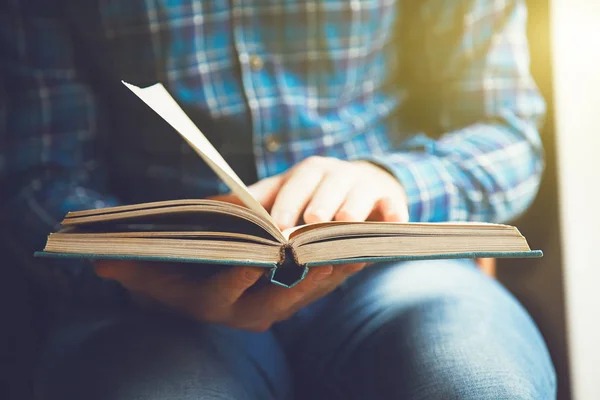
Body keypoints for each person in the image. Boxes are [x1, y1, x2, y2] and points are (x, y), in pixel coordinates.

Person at [1, 0, 557, 398]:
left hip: (395, 270)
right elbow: (35, 176)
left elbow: (504, 131)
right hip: (158, 303)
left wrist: (392, 182)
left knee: (479, 383)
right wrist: (131, 268)